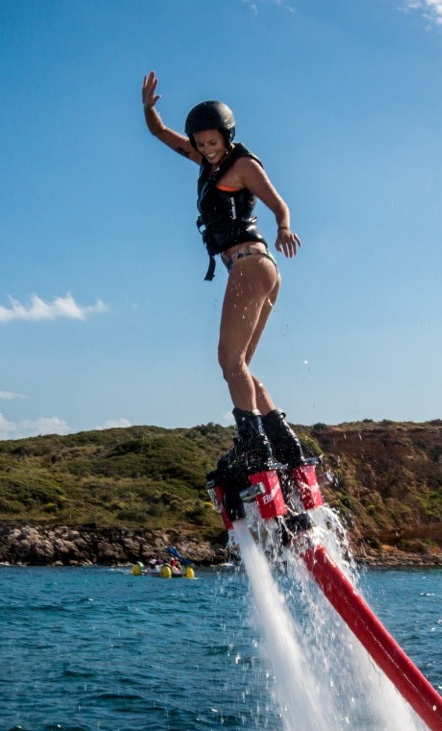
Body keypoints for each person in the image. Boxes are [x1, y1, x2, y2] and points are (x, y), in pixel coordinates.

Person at [141, 71, 309, 475]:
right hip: (255, 269)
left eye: (213, 142)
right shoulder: (205, 162)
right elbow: (161, 133)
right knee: (241, 368)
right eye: (200, 144)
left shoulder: (243, 164)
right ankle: (286, 448)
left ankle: (253, 446)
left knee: (228, 361)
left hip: (250, 264)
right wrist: (148, 110)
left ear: (227, 136)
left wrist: (284, 227)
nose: (206, 149)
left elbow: (279, 205)